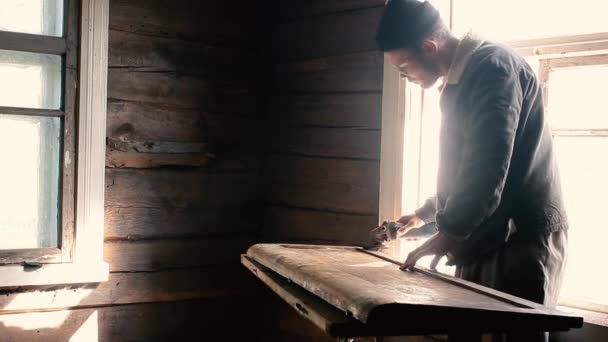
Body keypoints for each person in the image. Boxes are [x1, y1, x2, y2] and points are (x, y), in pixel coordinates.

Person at [376, 1, 569, 341]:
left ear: (429, 47)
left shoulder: (493, 69)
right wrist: (423, 216)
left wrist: (448, 233)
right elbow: (465, 169)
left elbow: (487, 167)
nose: (403, 76)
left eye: (403, 65)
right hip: (483, 234)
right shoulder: (459, 81)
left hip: (519, 242)